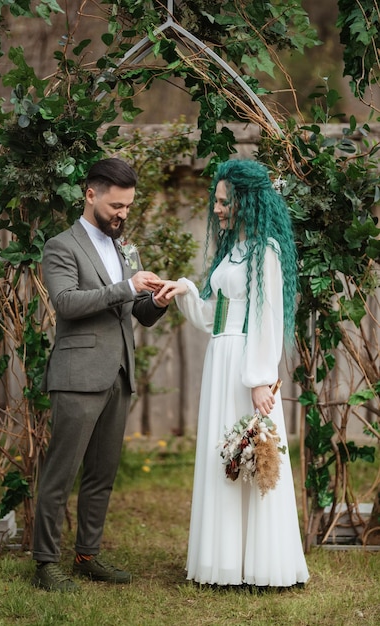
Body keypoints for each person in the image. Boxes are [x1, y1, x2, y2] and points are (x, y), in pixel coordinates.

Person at [156, 159, 309, 588]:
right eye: (217, 201)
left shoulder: (266, 252)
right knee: (224, 457)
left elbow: (266, 316)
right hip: (220, 362)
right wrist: (184, 289)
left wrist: (260, 376)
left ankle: (262, 565)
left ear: (246, 201)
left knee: (252, 455)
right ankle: (223, 562)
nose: (217, 208)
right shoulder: (232, 252)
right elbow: (214, 319)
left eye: (225, 201)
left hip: (245, 367)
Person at [32, 157, 169, 591]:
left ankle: (88, 555)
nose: (123, 215)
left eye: (128, 207)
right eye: (116, 206)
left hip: (119, 373)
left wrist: (158, 302)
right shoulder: (61, 246)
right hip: (77, 375)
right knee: (61, 472)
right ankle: (45, 563)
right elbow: (67, 303)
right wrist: (127, 287)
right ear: (90, 195)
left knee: (101, 474)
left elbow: (135, 314)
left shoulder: (123, 248)